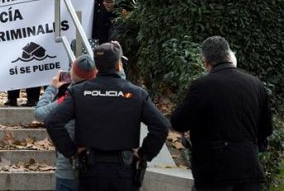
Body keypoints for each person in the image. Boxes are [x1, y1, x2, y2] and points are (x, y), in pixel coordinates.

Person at [44, 41, 168, 191]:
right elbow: (161, 126)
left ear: (97, 66)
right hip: (124, 170)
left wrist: (71, 150)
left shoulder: (79, 92)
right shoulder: (136, 93)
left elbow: (52, 121)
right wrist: (144, 154)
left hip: (89, 169)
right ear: (118, 65)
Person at [170, 36, 273, 190]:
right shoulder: (255, 84)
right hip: (249, 169)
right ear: (228, 55)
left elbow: (178, 122)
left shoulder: (203, 86)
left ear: (205, 60)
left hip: (214, 172)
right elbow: (266, 128)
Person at [34, 55, 98, 191]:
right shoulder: (106, 94)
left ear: (72, 74)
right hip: (99, 167)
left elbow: (40, 113)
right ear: (95, 74)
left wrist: (52, 87)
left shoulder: (69, 99)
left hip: (69, 167)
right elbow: (119, 79)